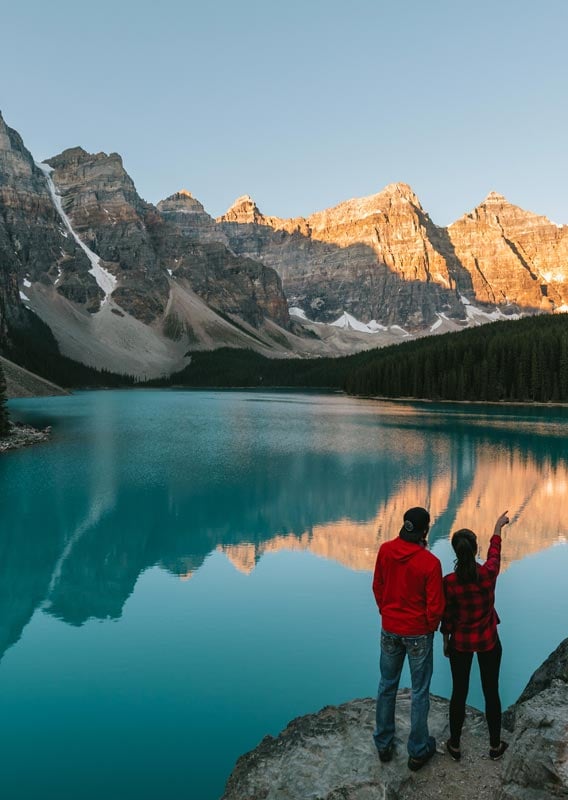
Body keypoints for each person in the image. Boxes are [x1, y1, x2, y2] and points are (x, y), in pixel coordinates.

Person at [372, 507, 445, 771]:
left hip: (389, 629)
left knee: (387, 684)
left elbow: (377, 586)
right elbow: (436, 606)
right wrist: (428, 626)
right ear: (425, 531)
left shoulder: (385, 551)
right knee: (419, 691)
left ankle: (383, 742)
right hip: (418, 635)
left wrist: (387, 612)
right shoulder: (430, 563)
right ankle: (417, 750)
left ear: (404, 526)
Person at [441, 511, 510, 762]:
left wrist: (445, 640)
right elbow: (494, 553)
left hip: (460, 643)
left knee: (459, 691)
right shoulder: (488, 573)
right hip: (489, 640)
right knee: (491, 691)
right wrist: (497, 527)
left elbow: (446, 616)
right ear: (475, 549)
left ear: (456, 553)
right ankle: (494, 746)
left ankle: (455, 745)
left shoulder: (449, 582)